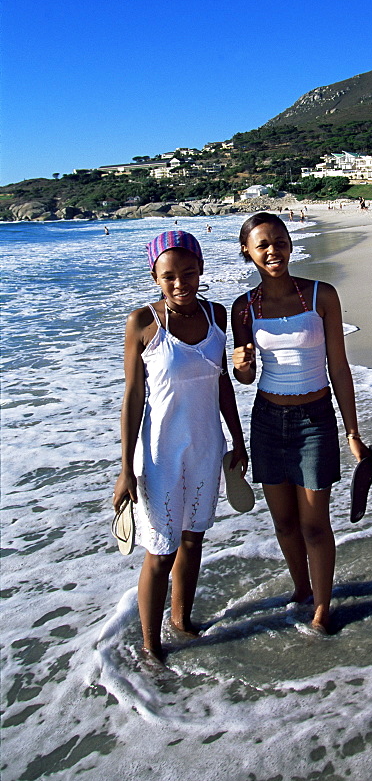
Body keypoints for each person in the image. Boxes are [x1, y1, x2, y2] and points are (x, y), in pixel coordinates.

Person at [112, 230, 248, 663]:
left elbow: (222, 380)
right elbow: (133, 396)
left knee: (194, 539)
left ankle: (182, 621)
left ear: (201, 270)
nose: (180, 283)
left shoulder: (216, 315)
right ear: (155, 276)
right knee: (159, 549)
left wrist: (238, 439)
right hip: (159, 452)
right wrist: (124, 469)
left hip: (207, 446)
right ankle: (152, 646)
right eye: (169, 276)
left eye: (188, 273)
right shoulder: (143, 323)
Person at [232, 212, 369, 634]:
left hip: (316, 419)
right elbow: (246, 377)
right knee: (285, 523)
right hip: (268, 422)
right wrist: (240, 366)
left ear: (291, 244)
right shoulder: (244, 308)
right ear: (248, 253)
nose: (273, 251)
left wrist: (352, 431)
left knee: (314, 523)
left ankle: (323, 606)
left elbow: (339, 367)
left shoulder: (320, 295)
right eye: (263, 245)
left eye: (280, 241)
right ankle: (300, 588)